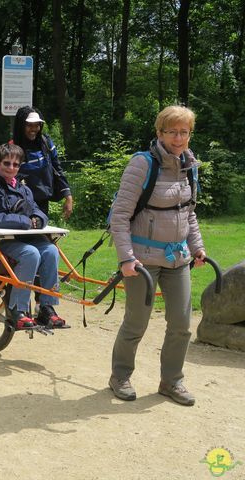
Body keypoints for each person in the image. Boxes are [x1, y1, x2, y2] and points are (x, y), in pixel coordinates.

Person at [108, 105, 206, 406]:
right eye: (172, 131)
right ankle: (120, 376)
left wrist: (197, 246)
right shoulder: (142, 164)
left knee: (182, 324)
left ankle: (171, 381)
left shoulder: (190, 164)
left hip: (178, 259)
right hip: (142, 262)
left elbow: (187, 213)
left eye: (184, 132)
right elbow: (120, 215)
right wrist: (126, 258)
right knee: (136, 323)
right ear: (160, 133)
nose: (178, 138)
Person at [0, 143, 67, 329]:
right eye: (6, 163)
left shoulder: (23, 188)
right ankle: (17, 310)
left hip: (15, 239)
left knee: (51, 250)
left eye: (16, 165)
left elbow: (38, 211)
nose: (11, 168)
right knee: (31, 254)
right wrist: (24, 222)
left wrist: (37, 219)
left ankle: (46, 308)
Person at [11, 106, 73, 219]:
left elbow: (57, 169)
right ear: (21, 126)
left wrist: (68, 196)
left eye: (37, 125)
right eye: (29, 125)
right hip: (20, 203)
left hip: (43, 202)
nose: (34, 129)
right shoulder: (12, 148)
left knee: (41, 232)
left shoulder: (46, 143)